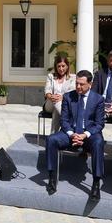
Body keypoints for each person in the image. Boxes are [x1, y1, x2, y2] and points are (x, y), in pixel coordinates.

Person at [45, 70, 105, 201]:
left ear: (90, 84)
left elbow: (99, 124)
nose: (78, 87)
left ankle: (96, 183)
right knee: (51, 140)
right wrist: (72, 135)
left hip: (89, 134)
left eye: (82, 84)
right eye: (77, 83)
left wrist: (84, 135)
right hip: (70, 132)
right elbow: (64, 121)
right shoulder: (68, 97)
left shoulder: (98, 99)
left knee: (99, 142)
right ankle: (52, 177)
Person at [43, 54, 76, 133]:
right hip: (49, 103)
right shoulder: (51, 76)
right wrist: (52, 97)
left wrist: (62, 97)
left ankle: (53, 136)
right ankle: (70, 124)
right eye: (59, 66)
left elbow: (72, 93)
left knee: (56, 111)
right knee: (56, 102)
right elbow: (47, 91)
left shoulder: (72, 78)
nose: (61, 69)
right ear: (56, 67)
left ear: (67, 66)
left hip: (63, 105)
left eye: (63, 66)